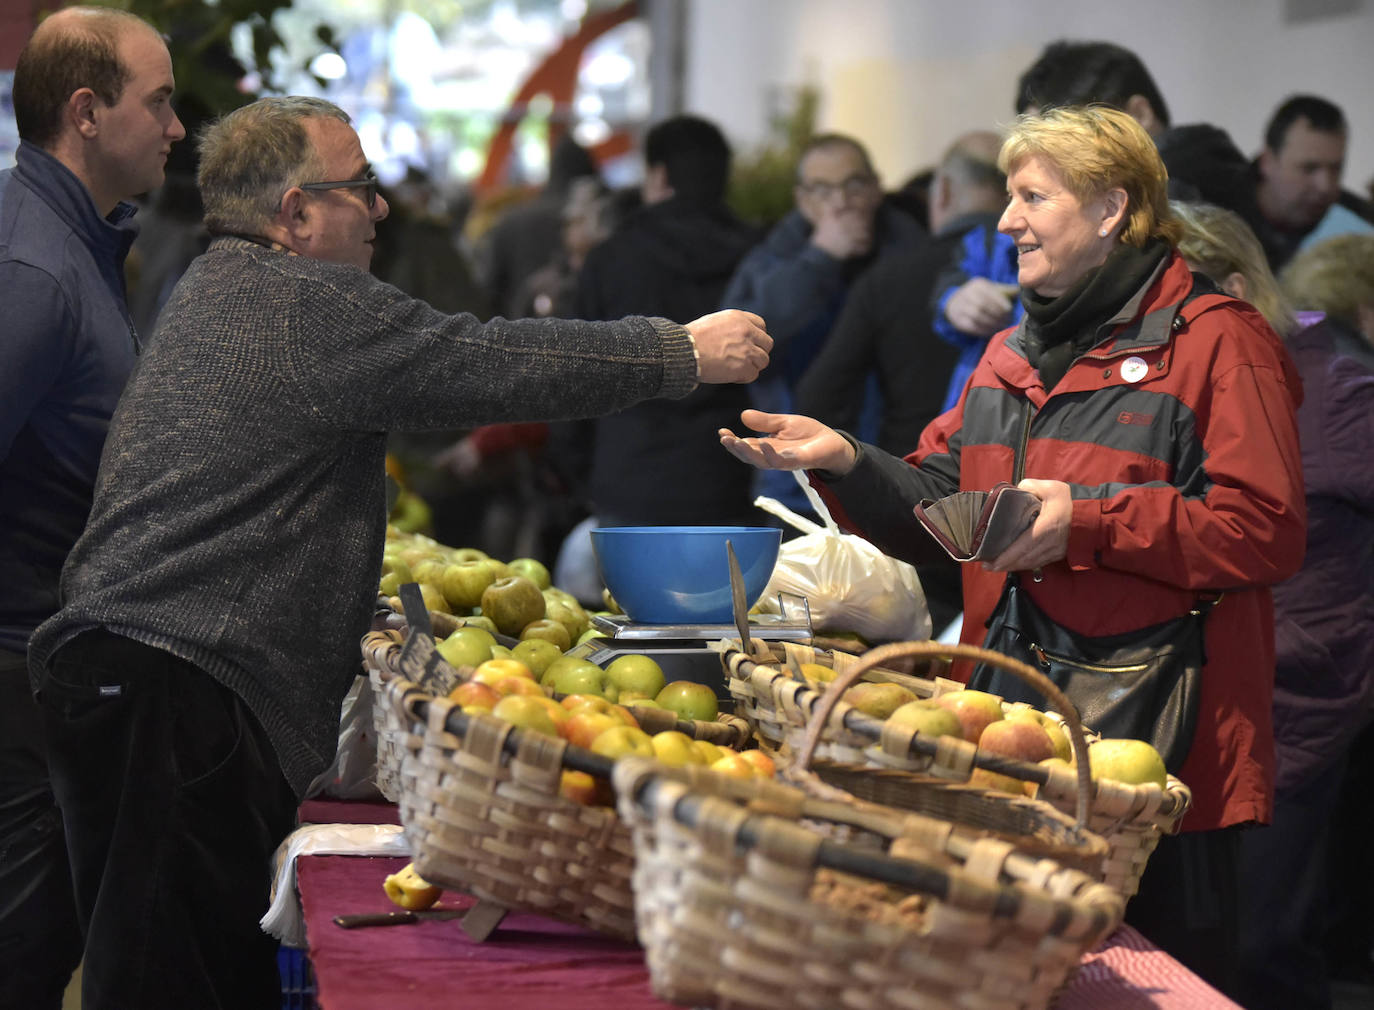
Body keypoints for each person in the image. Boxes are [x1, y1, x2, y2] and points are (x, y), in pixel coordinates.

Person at [24, 96, 770, 1010]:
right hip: (174, 687)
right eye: (361, 187)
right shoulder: (305, 300)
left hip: (128, 673)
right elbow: (485, 360)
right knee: (172, 983)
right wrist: (679, 351)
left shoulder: (222, 283)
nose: (380, 208)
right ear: (296, 213)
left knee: (163, 968)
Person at [719, 106, 1306, 998]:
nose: (1005, 221)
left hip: (1158, 761)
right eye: (1008, 195)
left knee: (1152, 986)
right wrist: (845, 460)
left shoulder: (1221, 342)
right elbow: (943, 509)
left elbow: (1264, 529)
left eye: (1033, 197)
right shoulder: (1008, 353)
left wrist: (1088, 521)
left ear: (1111, 209)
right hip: (1008, 742)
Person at [0, 9, 186, 1008]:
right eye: (159, 102)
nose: (177, 128)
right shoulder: (33, 272)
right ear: (85, 112)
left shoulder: (75, 244)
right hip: (18, 680)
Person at [1170, 201, 1374, 1010]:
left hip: (1293, 709)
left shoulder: (1336, 394)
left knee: (1260, 952)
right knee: (1198, 951)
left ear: (1237, 289)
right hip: (1189, 702)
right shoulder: (1175, 388)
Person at [794, 131, 1010, 632]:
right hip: (1017, 515)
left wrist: (858, 468)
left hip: (913, 503)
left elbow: (819, 396)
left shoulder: (888, 279)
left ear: (943, 192)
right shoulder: (1045, 279)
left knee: (912, 664)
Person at [722, 132, 924, 516]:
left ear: (876, 189)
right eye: (822, 190)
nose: (841, 201)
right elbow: (737, 345)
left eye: (854, 185)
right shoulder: (773, 256)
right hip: (794, 478)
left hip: (896, 471)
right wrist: (821, 257)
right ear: (802, 199)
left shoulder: (911, 249)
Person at [1255, 96, 1374, 268]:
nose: (1325, 186)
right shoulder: (1218, 208)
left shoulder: (1361, 226)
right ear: (1267, 162)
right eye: (1309, 168)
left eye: (1336, 169)